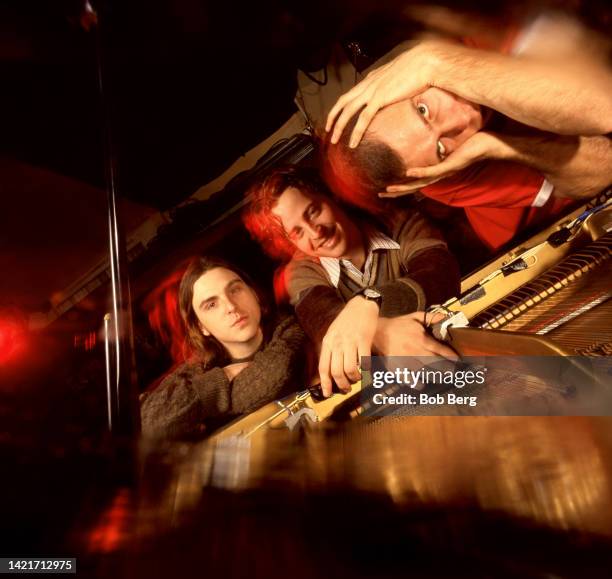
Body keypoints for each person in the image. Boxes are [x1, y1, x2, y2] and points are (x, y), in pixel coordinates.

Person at [323, 17, 612, 249]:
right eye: (441, 149)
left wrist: (438, 63)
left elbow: (603, 106)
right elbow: (606, 167)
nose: (465, 118)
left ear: (396, 80)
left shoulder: (471, 26)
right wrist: (501, 146)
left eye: (422, 109)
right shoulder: (445, 179)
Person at [244, 165, 459, 397]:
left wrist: (367, 303)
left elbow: (440, 274)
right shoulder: (301, 271)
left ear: (332, 197)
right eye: (297, 232)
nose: (316, 233)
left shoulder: (398, 221)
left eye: (314, 211)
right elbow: (324, 321)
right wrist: (381, 333)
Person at [140, 257, 307, 440]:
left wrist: (191, 410)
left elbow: (274, 378)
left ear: (254, 294)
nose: (230, 306)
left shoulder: (290, 330)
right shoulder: (200, 368)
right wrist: (220, 379)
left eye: (235, 290)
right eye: (211, 304)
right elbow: (147, 424)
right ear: (201, 326)